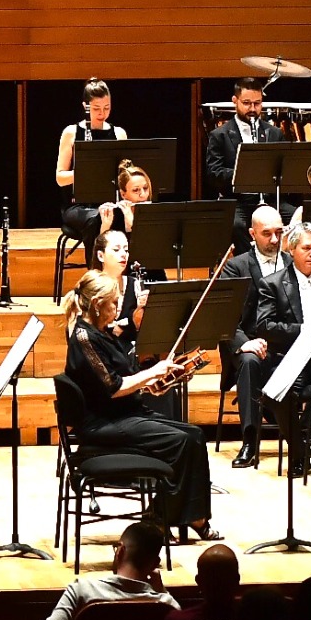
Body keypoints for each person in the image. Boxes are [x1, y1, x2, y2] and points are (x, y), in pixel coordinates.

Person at [61, 270, 219, 542]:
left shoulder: (104, 333)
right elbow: (112, 387)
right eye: (113, 302)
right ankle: (157, 519)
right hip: (103, 423)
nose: (118, 307)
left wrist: (157, 382)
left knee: (194, 435)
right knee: (179, 442)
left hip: (125, 412)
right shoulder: (84, 339)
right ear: (98, 305)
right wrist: (152, 371)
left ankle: (193, 515)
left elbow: (126, 379)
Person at [32, 520, 176, 620]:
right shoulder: (165, 604)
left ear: (119, 551)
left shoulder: (82, 591)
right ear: (156, 563)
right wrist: (162, 592)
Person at [254, 223, 311, 480]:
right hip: (293, 356)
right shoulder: (273, 284)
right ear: (292, 249)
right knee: (280, 394)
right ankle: (300, 451)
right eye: (307, 248)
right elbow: (265, 325)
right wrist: (305, 330)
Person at [216, 205, 289, 465]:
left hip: (286, 346)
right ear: (252, 234)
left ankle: (307, 439)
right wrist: (244, 344)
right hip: (249, 347)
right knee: (250, 362)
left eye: (279, 232)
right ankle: (250, 441)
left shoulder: (292, 264)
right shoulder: (236, 267)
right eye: (266, 233)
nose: (274, 239)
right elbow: (224, 316)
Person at [205, 75, 290, 244]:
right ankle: (252, 265)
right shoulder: (219, 135)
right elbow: (214, 173)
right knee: (235, 226)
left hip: (270, 200)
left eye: (257, 103)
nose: (252, 108)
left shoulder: (274, 133)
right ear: (234, 101)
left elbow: (286, 168)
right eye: (246, 103)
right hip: (238, 201)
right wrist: (243, 173)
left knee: (302, 217)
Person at [54, 79, 127, 242]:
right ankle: (96, 266)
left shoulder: (119, 133)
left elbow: (124, 174)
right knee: (96, 220)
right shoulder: (71, 133)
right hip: (77, 206)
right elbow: (60, 178)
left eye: (106, 108)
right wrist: (85, 172)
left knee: (127, 219)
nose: (102, 113)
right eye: (96, 109)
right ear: (85, 107)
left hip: (108, 202)